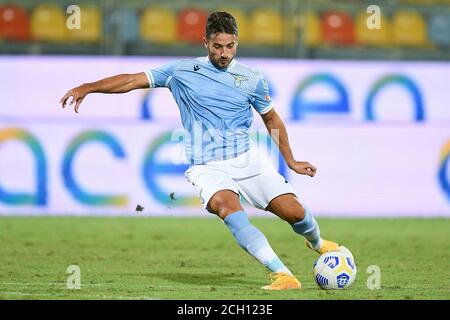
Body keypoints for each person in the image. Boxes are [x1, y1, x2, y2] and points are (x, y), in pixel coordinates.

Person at [60, 11, 339, 290]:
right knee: (227, 208)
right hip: (206, 166)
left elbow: (271, 118)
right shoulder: (180, 71)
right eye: (218, 46)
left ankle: (317, 242)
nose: (224, 53)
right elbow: (132, 80)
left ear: (237, 43)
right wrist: (90, 87)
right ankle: (283, 275)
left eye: (230, 46)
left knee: (295, 213)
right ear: (205, 42)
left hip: (246, 160)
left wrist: (290, 160)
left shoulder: (252, 78)